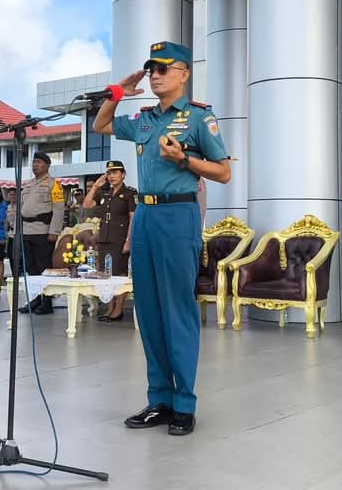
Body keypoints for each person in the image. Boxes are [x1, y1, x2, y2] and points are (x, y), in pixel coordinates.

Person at [93, 40, 230, 436]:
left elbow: (223, 173)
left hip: (178, 214)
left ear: (184, 74)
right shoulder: (145, 119)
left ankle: (184, 404)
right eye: (151, 69)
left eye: (163, 69)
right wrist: (119, 93)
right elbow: (102, 125)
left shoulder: (199, 119)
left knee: (178, 311)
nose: (154, 75)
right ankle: (160, 401)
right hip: (147, 216)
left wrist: (183, 160)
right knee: (149, 312)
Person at [83, 160, 138, 321]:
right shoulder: (105, 194)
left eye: (115, 172)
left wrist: (129, 240)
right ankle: (110, 307)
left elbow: (132, 219)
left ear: (123, 174)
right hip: (105, 238)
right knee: (107, 274)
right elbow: (87, 205)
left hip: (120, 239)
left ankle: (118, 309)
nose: (111, 176)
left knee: (120, 274)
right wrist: (96, 187)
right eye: (109, 173)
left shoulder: (130, 193)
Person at [17, 152, 65, 315]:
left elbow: (59, 210)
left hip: (43, 231)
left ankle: (47, 301)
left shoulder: (53, 184)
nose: (34, 165)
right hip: (27, 230)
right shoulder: (28, 184)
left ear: (47, 165)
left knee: (44, 267)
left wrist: (54, 231)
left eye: (38, 162)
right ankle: (36, 298)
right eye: (33, 162)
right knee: (31, 267)